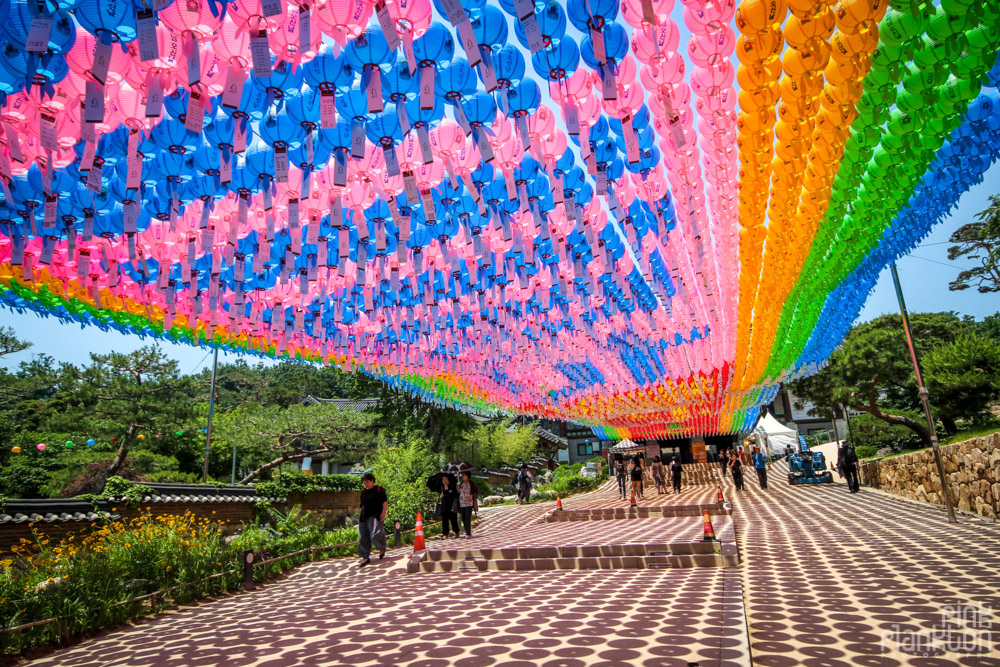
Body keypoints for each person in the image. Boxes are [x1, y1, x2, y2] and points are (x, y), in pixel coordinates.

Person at [358, 472, 388, 567]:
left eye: (367, 481)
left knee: (375, 534)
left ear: (372, 481)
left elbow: (385, 502)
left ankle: (382, 547)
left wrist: (383, 513)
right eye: (364, 482)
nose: (365, 484)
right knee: (363, 537)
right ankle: (365, 557)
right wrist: (360, 514)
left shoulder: (379, 489)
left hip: (376, 515)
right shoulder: (363, 492)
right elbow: (361, 505)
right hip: (364, 516)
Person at [457, 471, 478, 538]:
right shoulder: (461, 484)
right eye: (462, 475)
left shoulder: (471, 483)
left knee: (467, 518)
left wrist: (472, 495)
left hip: (469, 503)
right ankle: (467, 531)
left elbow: (475, 490)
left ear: (467, 476)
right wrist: (458, 490)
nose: (462, 476)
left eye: (464, 475)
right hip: (462, 503)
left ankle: (468, 533)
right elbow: (459, 493)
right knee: (463, 518)